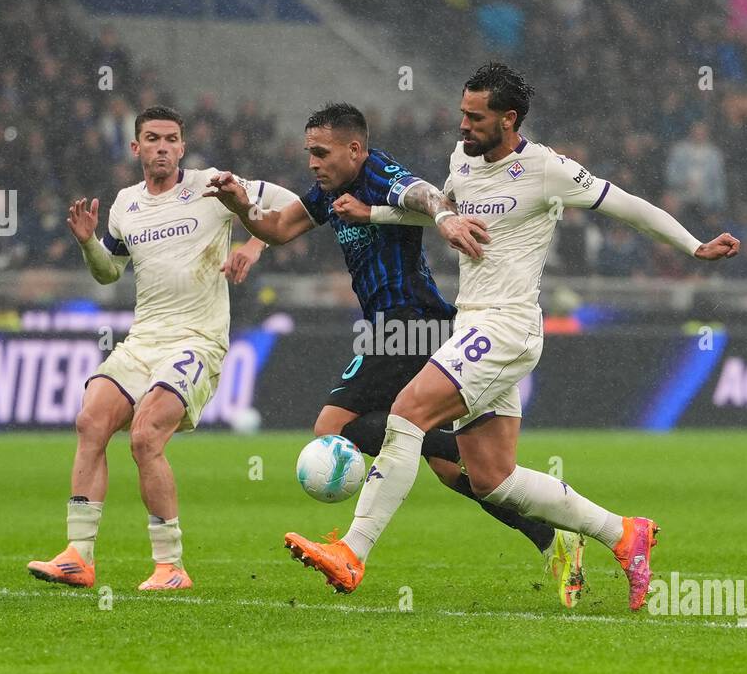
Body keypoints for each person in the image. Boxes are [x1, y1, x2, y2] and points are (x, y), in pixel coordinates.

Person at [282, 64, 741, 610]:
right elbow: (443, 217)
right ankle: (624, 534)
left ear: (509, 118)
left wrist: (693, 247)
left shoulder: (546, 169)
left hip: (508, 325)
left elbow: (627, 205)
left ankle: (353, 553)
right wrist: (376, 212)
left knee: (407, 413)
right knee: (491, 479)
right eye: (461, 113)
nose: (463, 125)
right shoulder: (462, 162)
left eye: (475, 117)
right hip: (471, 322)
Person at [205, 102, 588, 607]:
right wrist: (238, 205)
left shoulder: (380, 174)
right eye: (309, 154)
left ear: (355, 149)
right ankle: (553, 538)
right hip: (402, 327)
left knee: (333, 426)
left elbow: (425, 194)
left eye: (321, 153)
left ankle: (405, 476)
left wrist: (445, 215)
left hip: (408, 325)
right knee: (458, 475)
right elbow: (276, 228)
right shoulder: (329, 191)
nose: (313, 163)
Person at [26, 105, 298, 591]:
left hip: (197, 340)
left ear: (183, 146)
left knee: (145, 435)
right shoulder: (125, 204)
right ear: (136, 148)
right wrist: (90, 244)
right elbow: (109, 271)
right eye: (152, 139)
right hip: (143, 340)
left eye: (171, 138)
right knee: (90, 420)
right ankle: (77, 557)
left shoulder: (214, 183)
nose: (163, 147)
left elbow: (294, 203)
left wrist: (254, 245)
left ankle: (171, 567)